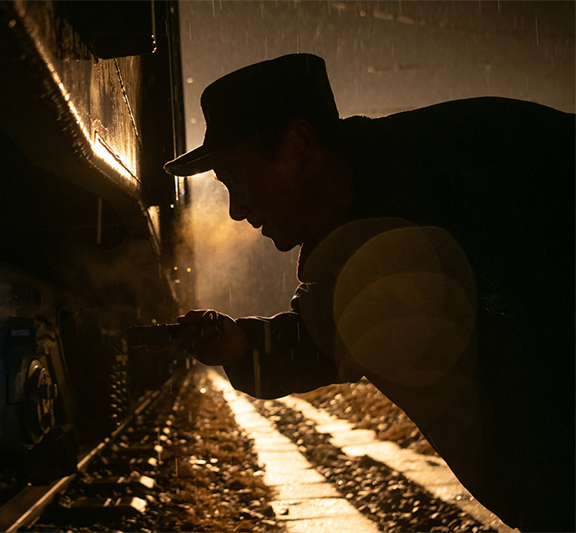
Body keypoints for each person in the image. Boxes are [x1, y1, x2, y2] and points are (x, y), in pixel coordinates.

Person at [164, 54, 575, 532]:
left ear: (298, 144)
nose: (236, 210)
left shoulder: (475, 166)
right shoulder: (369, 223)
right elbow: (346, 330)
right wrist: (246, 346)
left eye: (236, 180)